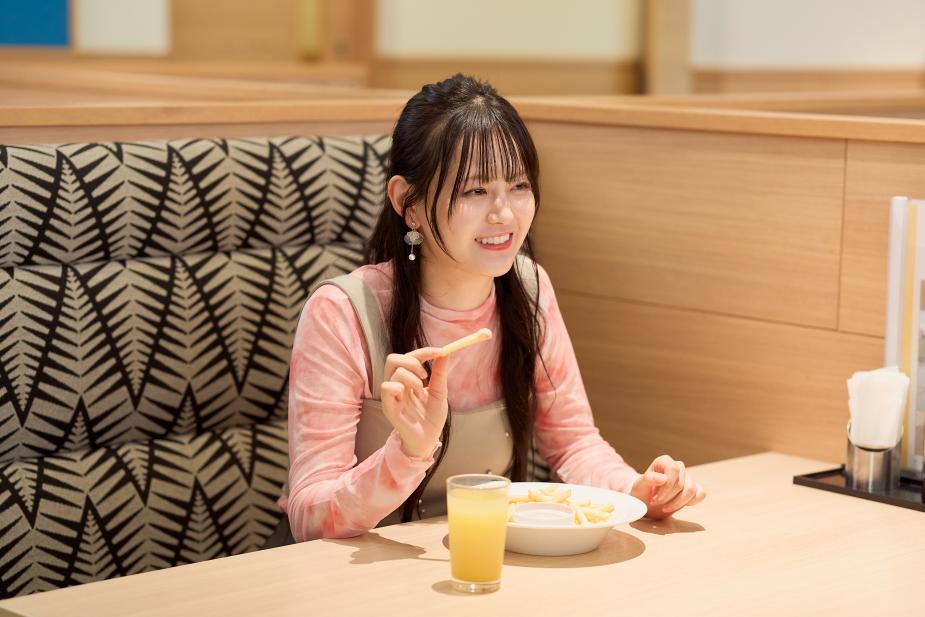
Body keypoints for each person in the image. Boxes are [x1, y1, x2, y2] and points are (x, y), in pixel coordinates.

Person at [282, 74, 705, 542]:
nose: (504, 213)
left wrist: (636, 489)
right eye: (474, 191)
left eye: (519, 185)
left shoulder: (530, 288)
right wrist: (407, 453)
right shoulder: (341, 313)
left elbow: (573, 443)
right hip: (351, 570)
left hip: (479, 556)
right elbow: (308, 518)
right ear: (408, 203)